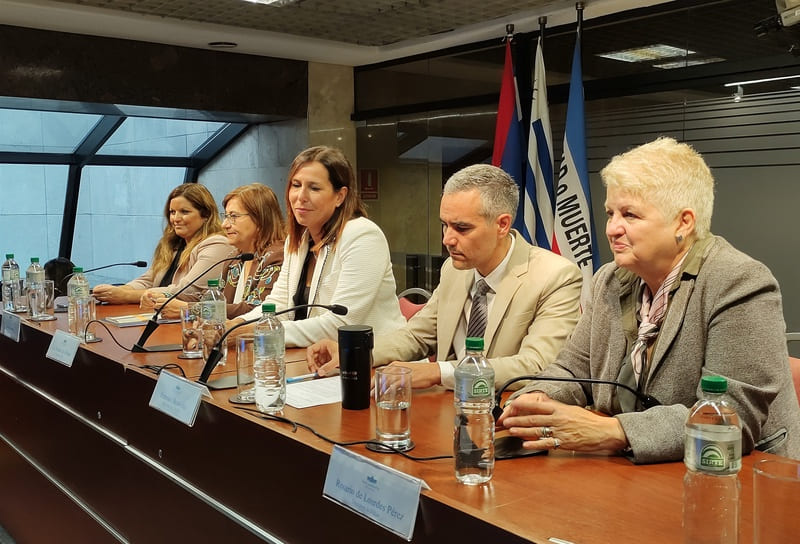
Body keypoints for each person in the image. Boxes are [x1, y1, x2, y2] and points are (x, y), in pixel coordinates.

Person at [498, 137, 800, 463]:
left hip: (741, 476)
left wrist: (614, 432)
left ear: (683, 223)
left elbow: (729, 416)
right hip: (634, 472)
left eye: (630, 215)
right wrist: (539, 398)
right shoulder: (609, 280)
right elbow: (572, 369)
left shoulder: (739, 282)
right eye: (610, 213)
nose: (612, 228)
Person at [307, 164, 582, 390]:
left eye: (462, 228)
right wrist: (355, 353)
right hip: (445, 410)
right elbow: (416, 337)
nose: (447, 239)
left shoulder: (555, 276)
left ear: (502, 225)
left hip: (501, 415)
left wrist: (439, 372)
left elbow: (536, 365)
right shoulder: (453, 269)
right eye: (445, 225)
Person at [229, 146, 406, 347]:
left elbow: (341, 324)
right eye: (296, 185)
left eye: (314, 188)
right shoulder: (299, 239)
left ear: (340, 196)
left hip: (377, 363)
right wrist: (236, 325)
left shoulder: (363, 236)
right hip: (315, 360)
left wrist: (257, 331)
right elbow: (278, 303)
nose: (300, 196)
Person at [147, 183, 284, 319]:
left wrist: (189, 309)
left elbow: (255, 309)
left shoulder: (276, 257)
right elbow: (211, 296)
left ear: (260, 219)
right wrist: (164, 297)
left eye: (234, 216)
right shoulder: (235, 257)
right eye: (226, 216)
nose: (225, 224)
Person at [93, 183, 233, 305]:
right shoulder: (172, 244)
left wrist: (126, 296)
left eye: (184, 212)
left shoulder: (217, 244)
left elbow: (187, 290)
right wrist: (117, 291)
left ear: (206, 215)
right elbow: (148, 280)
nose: (176, 219)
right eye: (172, 212)